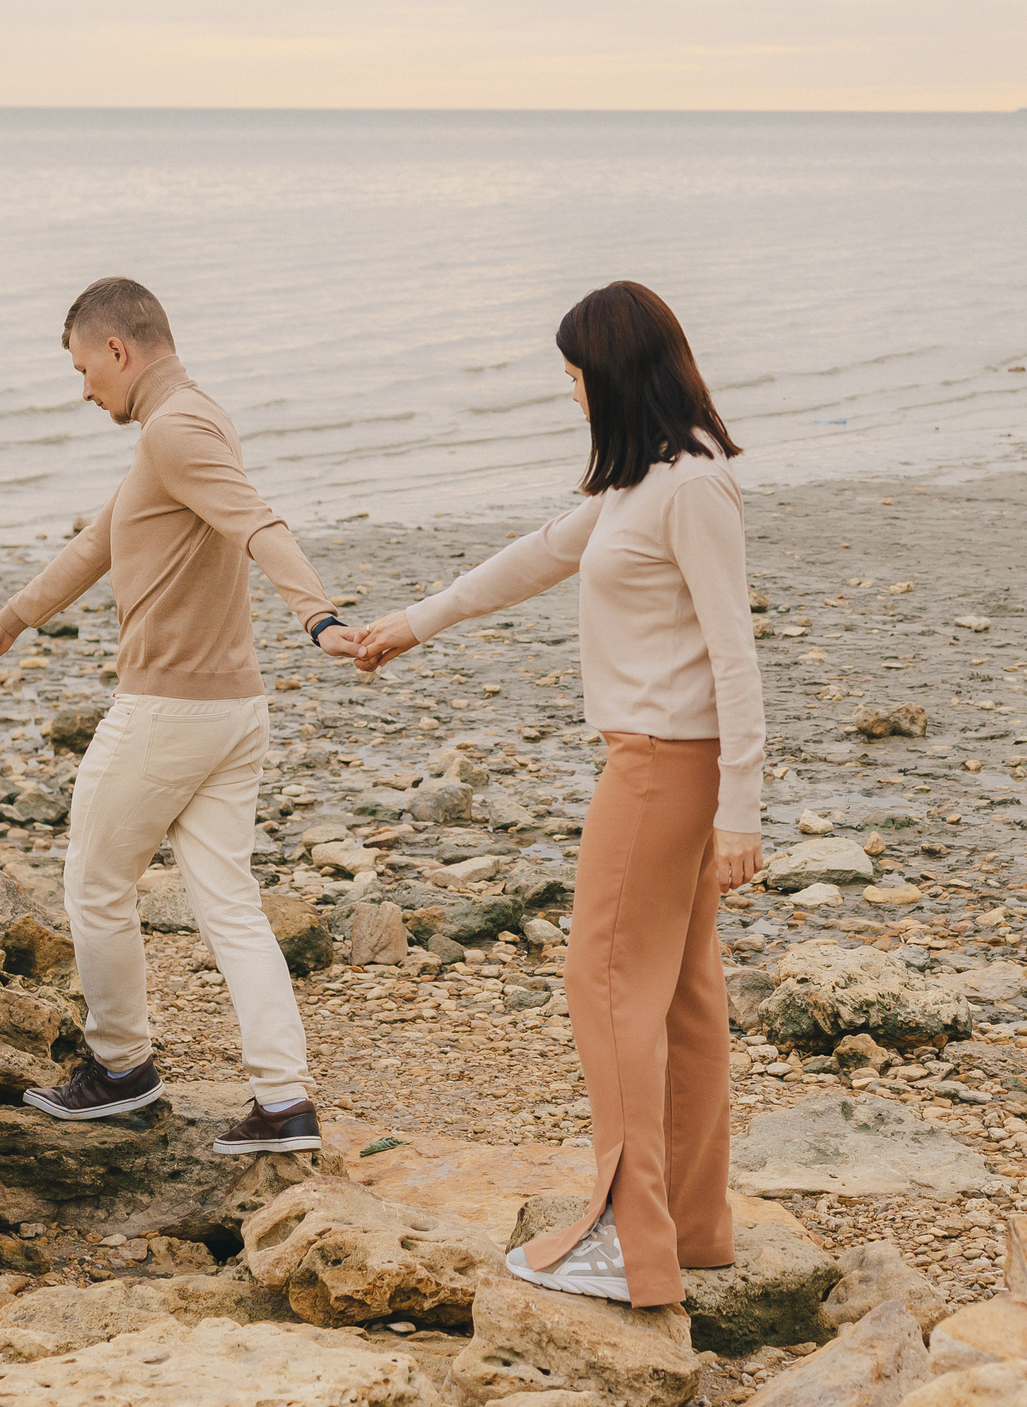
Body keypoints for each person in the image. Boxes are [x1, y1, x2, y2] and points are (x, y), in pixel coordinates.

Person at [349, 281, 764, 1309]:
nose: (572, 396)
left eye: (577, 378)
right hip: (668, 759)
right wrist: (411, 623)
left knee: (605, 981)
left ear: (618, 376)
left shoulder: (692, 486)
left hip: (665, 763)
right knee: (678, 992)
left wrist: (743, 808)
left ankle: (630, 1239)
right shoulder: (640, 484)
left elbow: (735, 650)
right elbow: (535, 556)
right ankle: (692, 1228)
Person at [0, 276, 360, 1155]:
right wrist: (5, 624)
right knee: (231, 904)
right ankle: (285, 1104)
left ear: (117, 350)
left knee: (94, 882)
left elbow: (257, 522)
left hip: (169, 708)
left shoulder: (174, 429)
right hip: (234, 711)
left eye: (82, 368)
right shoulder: (187, 425)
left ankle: (121, 1070)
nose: (83, 388)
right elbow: (98, 543)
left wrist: (316, 614)